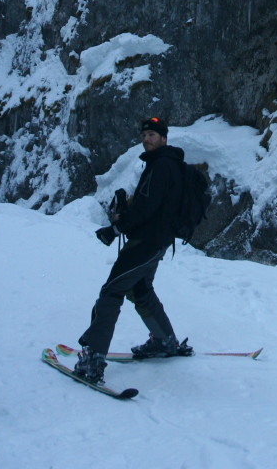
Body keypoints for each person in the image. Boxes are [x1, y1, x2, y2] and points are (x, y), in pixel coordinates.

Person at [74, 115, 191, 384]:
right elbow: (151, 206)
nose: (147, 139)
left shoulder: (161, 166)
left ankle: (93, 360)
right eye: (144, 135)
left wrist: (116, 228)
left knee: (111, 291)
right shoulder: (167, 164)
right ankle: (164, 341)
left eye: (153, 135)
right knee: (140, 290)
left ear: (164, 138)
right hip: (155, 242)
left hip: (146, 244)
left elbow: (147, 208)